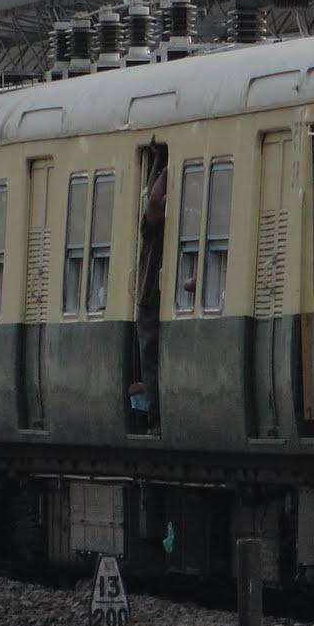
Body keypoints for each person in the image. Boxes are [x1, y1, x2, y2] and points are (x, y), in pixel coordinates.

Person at [132, 159, 167, 430]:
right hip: (150, 297)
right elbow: (155, 201)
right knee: (150, 361)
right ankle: (153, 415)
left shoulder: (153, 225)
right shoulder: (151, 226)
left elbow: (154, 199)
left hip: (152, 298)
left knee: (151, 361)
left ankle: (154, 416)